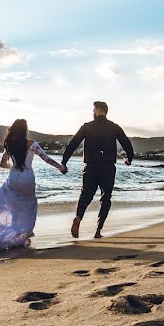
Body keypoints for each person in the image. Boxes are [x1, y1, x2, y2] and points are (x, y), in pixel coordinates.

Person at [0, 119, 66, 253]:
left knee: (7, 205)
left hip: (14, 178)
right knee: (27, 207)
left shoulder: (10, 145)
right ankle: (21, 236)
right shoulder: (32, 144)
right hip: (27, 179)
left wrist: (12, 167)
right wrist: (60, 167)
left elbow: (2, 163)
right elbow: (46, 158)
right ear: (25, 130)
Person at [59, 101, 134, 239]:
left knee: (86, 195)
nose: (92, 112)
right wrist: (129, 158)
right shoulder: (114, 127)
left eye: (93, 110)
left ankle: (78, 217)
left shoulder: (87, 127)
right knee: (106, 198)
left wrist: (64, 162)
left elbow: (73, 144)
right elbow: (127, 144)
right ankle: (98, 230)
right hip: (108, 167)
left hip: (90, 166)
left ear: (98, 110)